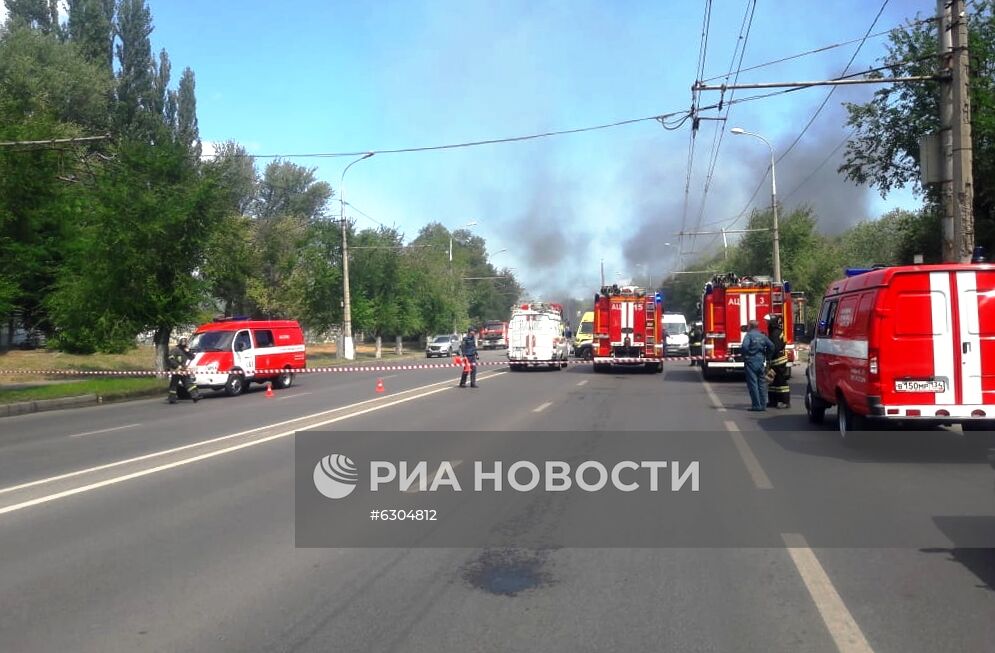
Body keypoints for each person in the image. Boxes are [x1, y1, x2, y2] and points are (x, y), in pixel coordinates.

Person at [741, 319, 774, 411]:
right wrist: (768, 356)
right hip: (760, 361)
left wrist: (745, 355)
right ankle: (763, 405)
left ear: (750, 326)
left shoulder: (749, 335)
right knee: (762, 383)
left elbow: (744, 346)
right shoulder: (762, 336)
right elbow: (771, 346)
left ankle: (756, 405)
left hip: (751, 361)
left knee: (753, 384)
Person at [766, 315, 791, 409]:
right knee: (772, 382)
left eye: (768, 321)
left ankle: (785, 402)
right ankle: (773, 401)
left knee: (781, 381)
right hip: (775, 360)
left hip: (779, 361)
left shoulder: (775, 333)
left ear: (772, 322)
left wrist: (767, 354)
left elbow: (775, 348)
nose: (766, 323)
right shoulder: (774, 332)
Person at [167, 337, 200, 404]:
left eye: (185, 341)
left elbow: (192, 357)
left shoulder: (185, 350)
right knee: (174, 385)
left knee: (188, 383)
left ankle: (195, 396)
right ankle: (172, 399)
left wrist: (188, 351)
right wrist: (177, 366)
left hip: (183, 369)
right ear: (180, 342)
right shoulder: (175, 350)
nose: (184, 343)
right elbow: (171, 359)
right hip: (176, 370)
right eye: (183, 341)